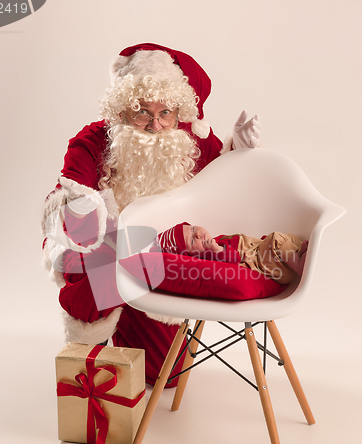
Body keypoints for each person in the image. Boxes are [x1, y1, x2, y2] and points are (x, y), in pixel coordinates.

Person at [41, 43, 262, 386]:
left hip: (156, 264)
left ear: (179, 112)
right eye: (142, 112)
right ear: (123, 111)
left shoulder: (191, 141)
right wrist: (83, 211)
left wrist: (242, 153)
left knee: (164, 375)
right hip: (96, 256)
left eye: (166, 114)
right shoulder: (93, 140)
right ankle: (91, 344)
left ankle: (128, 321)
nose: (155, 126)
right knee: (97, 256)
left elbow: (223, 183)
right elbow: (68, 197)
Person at [157, 222, 308, 285]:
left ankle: (295, 255)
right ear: (190, 255)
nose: (197, 235)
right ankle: (297, 264)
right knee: (276, 238)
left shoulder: (215, 241)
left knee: (290, 238)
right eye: (191, 242)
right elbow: (234, 259)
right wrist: (217, 250)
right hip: (263, 266)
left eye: (193, 229)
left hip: (271, 261)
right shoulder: (208, 255)